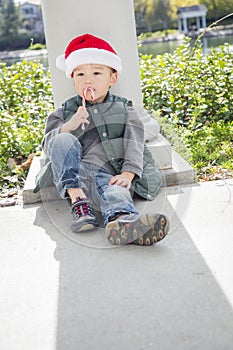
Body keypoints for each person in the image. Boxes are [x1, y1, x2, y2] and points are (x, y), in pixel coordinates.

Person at [34, 33, 170, 246]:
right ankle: (79, 201)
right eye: (80, 75)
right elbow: (48, 146)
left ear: (112, 78)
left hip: (108, 175)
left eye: (97, 72)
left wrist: (128, 173)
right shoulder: (65, 111)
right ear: (73, 79)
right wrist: (69, 125)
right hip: (76, 176)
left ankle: (123, 223)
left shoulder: (125, 108)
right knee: (61, 140)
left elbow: (135, 142)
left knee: (117, 191)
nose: (88, 80)